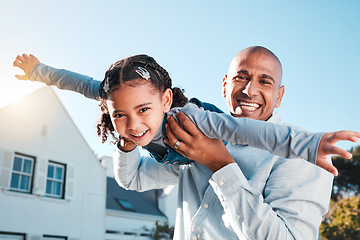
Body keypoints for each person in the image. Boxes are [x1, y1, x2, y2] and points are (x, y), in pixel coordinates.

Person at [12, 48, 358, 239]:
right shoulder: (141, 121)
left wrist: (308, 144)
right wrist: (128, 138)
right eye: (241, 77)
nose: (250, 90)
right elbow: (131, 180)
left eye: (264, 82)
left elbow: (261, 136)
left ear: (279, 94)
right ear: (224, 85)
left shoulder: (200, 125)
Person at [13, 53, 358, 173]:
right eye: (120, 114)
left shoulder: (190, 118)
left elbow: (248, 132)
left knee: (235, 131)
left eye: (144, 110)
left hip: (213, 139)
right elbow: (75, 82)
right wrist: (38, 70)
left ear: (165, 101)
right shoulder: (110, 99)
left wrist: (308, 145)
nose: (134, 125)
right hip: (182, 165)